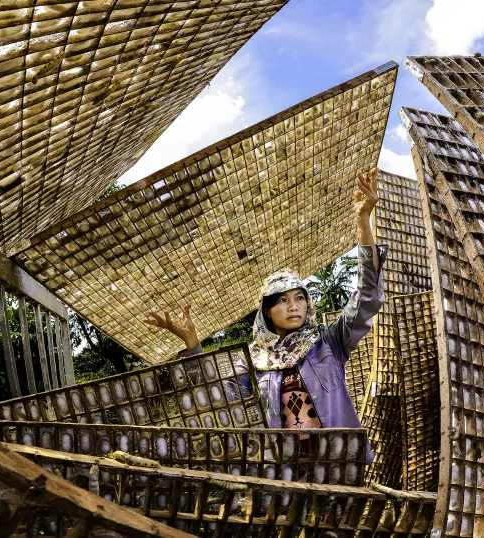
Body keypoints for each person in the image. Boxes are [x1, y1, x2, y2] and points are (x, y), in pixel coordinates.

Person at [146, 168, 386, 463]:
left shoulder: (329, 344)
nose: (294, 306)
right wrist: (193, 347)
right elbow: (220, 398)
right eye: (282, 301)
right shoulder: (253, 361)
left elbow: (368, 297)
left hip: (339, 463)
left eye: (299, 298)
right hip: (287, 471)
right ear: (267, 312)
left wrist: (363, 220)